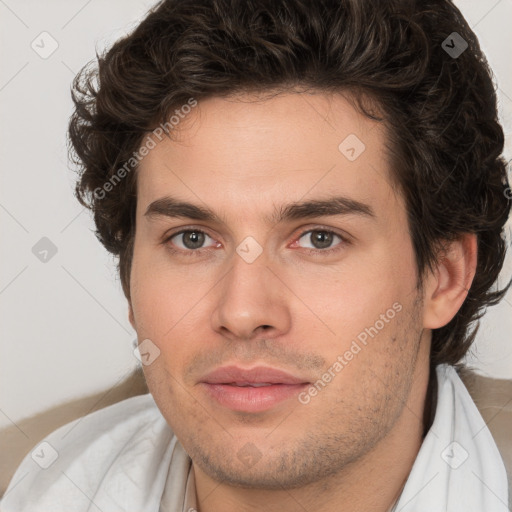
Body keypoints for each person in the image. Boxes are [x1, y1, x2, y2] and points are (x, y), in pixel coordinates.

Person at [1, 0, 511, 510]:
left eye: (319, 239)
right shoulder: (30, 485)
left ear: (444, 277)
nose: (243, 313)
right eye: (192, 239)